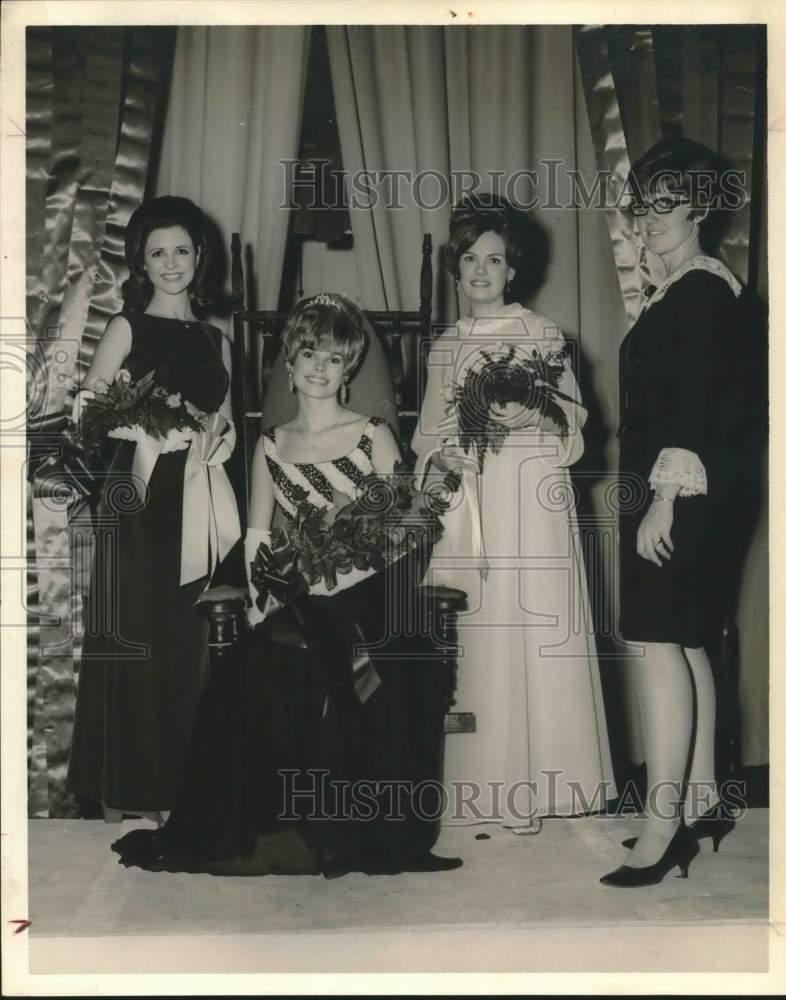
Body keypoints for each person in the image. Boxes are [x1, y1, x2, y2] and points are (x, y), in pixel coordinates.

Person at [111, 293, 462, 877]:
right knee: (250, 665)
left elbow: (409, 529)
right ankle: (282, 826)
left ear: (348, 368)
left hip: (373, 589)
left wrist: (348, 573)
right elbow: (256, 543)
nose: (319, 368)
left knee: (370, 660)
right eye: (308, 356)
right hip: (299, 588)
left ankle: (366, 833)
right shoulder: (271, 445)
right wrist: (264, 600)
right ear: (290, 368)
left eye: (332, 358)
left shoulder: (373, 434)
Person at [411, 196, 617, 835]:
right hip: (471, 504)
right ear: (456, 267)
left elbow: (575, 426)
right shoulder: (445, 346)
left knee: (532, 623)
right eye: (469, 258)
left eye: (493, 259)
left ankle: (547, 778)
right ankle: (478, 785)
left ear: (512, 270)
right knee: (478, 632)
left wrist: (536, 413)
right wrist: (442, 453)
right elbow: (424, 438)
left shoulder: (542, 335)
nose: (480, 270)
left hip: (529, 500)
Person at [67, 196, 240, 819]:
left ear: (201, 258)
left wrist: (214, 436)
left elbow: (221, 423)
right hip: (136, 497)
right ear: (141, 260)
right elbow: (88, 414)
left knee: (189, 635)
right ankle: (134, 788)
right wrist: (143, 423)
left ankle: (185, 784)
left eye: (182, 251)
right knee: (138, 632)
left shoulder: (220, 341)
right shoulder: (127, 327)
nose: (171, 264)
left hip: (197, 494)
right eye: (158, 252)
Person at [601, 137, 745, 887]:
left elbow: (689, 406)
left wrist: (661, 500)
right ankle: (703, 799)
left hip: (675, 492)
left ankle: (662, 831)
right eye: (643, 206)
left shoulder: (696, 293)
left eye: (665, 206)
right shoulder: (698, 286)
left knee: (658, 642)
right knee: (686, 642)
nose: (649, 219)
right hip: (690, 492)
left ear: (700, 210)